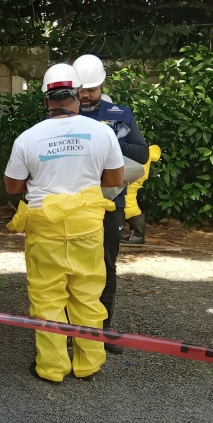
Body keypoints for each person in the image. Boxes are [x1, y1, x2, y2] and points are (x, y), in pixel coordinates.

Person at [4, 63, 124, 383]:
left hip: (44, 227)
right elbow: (115, 180)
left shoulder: (28, 138)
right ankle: (88, 364)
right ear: (78, 95)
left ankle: (52, 367)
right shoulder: (102, 132)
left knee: (47, 298)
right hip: (87, 226)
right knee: (87, 295)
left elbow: (12, 187)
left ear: (46, 99)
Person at [72, 54, 149, 354]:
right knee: (72, 265)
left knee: (106, 264)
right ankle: (69, 331)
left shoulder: (120, 113)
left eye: (91, 89)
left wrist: (110, 140)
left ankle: (102, 331)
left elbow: (142, 153)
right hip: (72, 202)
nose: (85, 94)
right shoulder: (62, 112)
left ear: (103, 84)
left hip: (110, 200)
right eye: (81, 88)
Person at [122, 144, 162, 244]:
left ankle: (137, 234)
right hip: (134, 172)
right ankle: (136, 234)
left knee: (126, 202)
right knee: (127, 200)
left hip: (130, 172)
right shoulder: (137, 142)